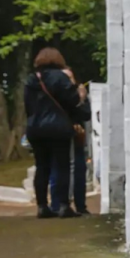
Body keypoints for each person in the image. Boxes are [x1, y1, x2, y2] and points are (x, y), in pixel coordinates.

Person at [24, 47, 91, 218]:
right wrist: (81, 95)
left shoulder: (31, 80)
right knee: (61, 166)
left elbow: (28, 106)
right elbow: (72, 100)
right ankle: (62, 205)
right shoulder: (59, 77)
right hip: (57, 128)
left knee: (42, 166)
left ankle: (41, 206)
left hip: (36, 129)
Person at [49, 67, 90, 215]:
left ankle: (80, 205)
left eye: (69, 78)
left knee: (79, 170)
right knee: (58, 170)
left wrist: (82, 99)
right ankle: (57, 205)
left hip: (76, 138)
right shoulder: (54, 96)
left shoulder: (78, 95)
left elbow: (86, 115)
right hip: (60, 137)